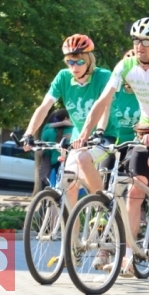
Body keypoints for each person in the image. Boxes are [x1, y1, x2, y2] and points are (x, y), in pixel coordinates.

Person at [74, 17, 149, 277]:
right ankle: (128, 255)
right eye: (137, 40)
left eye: (146, 41)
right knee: (134, 191)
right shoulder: (126, 65)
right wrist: (84, 134)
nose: (140, 46)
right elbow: (104, 99)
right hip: (146, 128)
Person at [22, 34, 118, 208]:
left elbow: (104, 107)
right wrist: (28, 133)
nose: (75, 67)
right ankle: (70, 236)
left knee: (82, 159)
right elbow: (44, 107)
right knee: (68, 187)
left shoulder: (103, 76)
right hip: (78, 138)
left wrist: (99, 132)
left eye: (80, 62)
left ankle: (104, 207)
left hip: (105, 135)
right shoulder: (63, 77)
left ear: (89, 60)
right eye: (70, 62)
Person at [39, 109, 73, 187]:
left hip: (55, 163)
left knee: (53, 186)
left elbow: (39, 152)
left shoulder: (48, 130)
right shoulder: (74, 130)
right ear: (66, 118)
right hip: (71, 163)